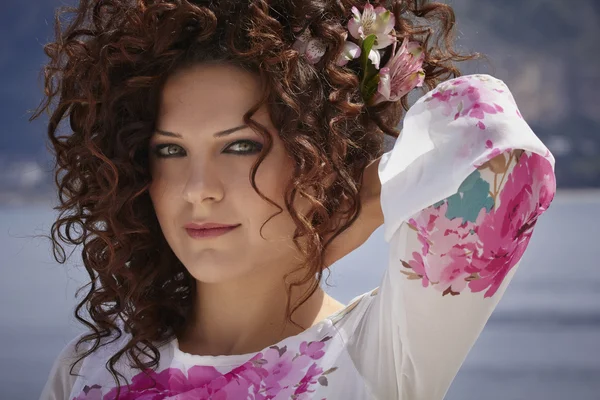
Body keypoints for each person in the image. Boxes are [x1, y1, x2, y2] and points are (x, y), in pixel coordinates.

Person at [34, 0, 556, 399]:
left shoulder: (380, 354)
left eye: (240, 146)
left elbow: (501, 148)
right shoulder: (90, 371)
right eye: (169, 150)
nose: (198, 187)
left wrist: (358, 203)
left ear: (319, 158)